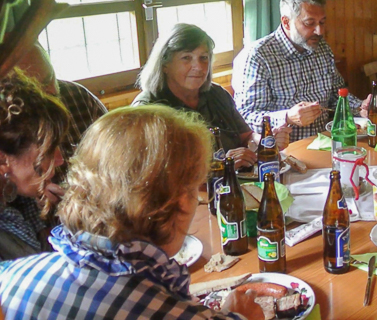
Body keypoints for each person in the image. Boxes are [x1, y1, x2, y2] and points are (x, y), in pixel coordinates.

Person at [0, 105, 264, 320]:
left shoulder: (12, 274)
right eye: (194, 188)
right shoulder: (166, 310)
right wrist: (240, 316)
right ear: (181, 200)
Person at [133, 24, 282, 169]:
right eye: (186, 58)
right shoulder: (147, 109)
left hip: (238, 181)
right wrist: (219, 166)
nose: (198, 67)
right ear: (165, 64)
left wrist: (264, 141)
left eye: (203, 58)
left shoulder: (217, 94)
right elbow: (153, 173)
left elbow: (247, 136)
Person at [233, 0, 368, 143]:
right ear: (286, 22)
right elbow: (244, 117)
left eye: (322, 22)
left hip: (324, 141)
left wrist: (360, 107)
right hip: (283, 149)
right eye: (310, 23)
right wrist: (287, 117)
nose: (319, 31)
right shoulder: (258, 56)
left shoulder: (321, 48)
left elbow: (336, 96)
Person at [0, 70, 68, 260]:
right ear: (3, 160)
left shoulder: (23, 203)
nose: (60, 159)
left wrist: (67, 215)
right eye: (49, 150)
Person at [15, 43, 107, 165]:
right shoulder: (8, 127)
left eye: (49, 79)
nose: (51, 91)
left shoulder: (79, 98)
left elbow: (115, 155)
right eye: (34, 91)